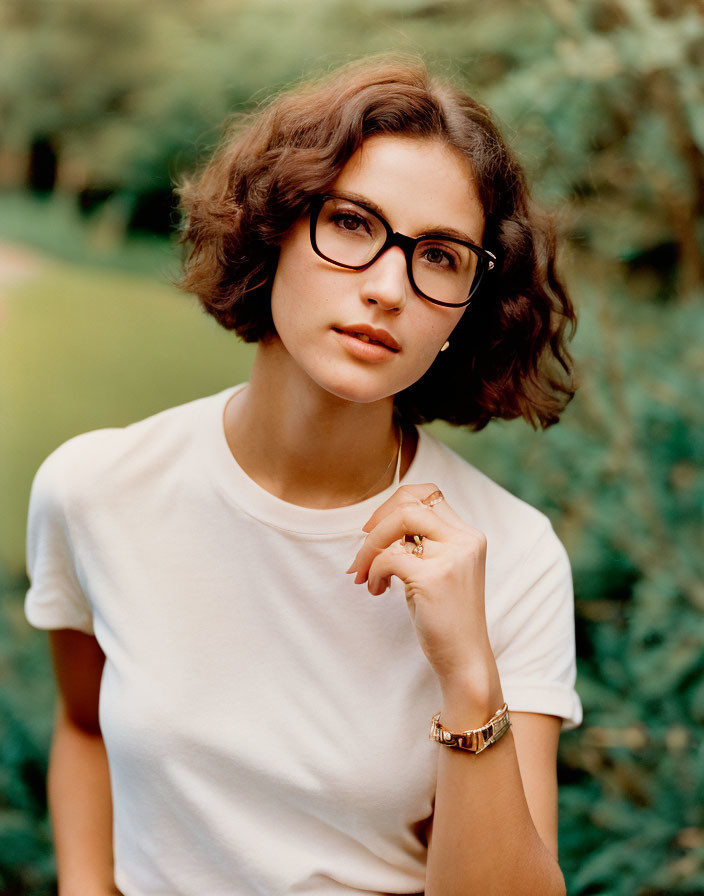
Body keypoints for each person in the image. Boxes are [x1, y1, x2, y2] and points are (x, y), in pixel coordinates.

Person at [25, 57, 582, 896]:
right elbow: (81, 725)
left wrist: (470, 676)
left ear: (468, 307)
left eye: (440, 256)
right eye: (354, 223)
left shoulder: (512, 557)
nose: (390, 287)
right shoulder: (97, 487)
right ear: (275, 226)